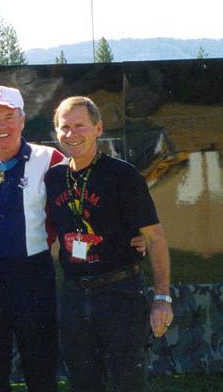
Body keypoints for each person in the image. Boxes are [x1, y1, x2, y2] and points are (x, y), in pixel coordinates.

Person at [45, 96, 174, 391]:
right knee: (83, 382)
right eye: (64, 127)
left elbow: (154, 237)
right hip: (75, 294)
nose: (71, 134)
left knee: (130, 381)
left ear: (98, 128)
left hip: (121, 293)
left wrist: (162, 298)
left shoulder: (122, 175)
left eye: (80, 125)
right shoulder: (54, 177)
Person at [0, 86, 66, 391]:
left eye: (9, 117)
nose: (1, 125)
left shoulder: (50, 159)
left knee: (41, 366)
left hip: (34, 274)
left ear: (22, 120)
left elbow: (72, 211)